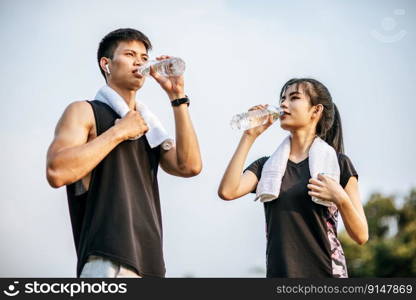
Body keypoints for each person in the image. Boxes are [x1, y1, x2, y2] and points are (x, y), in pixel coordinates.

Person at [46, 28, 202, 278]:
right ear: (106, 64)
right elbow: (57, 171)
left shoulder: (149, 126)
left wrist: (177, 96)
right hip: (109, 261)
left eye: (143, 57)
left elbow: (189, 166)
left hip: (151, 266)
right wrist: (118, 133)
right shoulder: (84, 111)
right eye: (130, 54)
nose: (139, 62)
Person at [218, 78, 368, 278]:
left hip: (326, 273)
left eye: (294, 98)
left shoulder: (338, 164)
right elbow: (227, 191)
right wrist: (249, 136)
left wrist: (340, 198)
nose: (283, 104)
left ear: (316, 111)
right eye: (282, 99)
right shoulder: (266, 166)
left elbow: (361, 236)